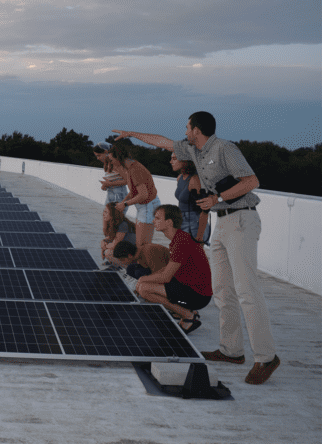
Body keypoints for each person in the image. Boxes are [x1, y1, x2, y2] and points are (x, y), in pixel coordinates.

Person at [113, 112, 280, 385]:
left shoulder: (225, 149)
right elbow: (163, 142)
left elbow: (251, 182)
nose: (184, 131)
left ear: (197, 130)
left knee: (246, 289)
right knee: (223, 289)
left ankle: (266, 357)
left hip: (241, 218)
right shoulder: (193, 149)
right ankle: (231, 350)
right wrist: (133, 134)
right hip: (223, 220)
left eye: (187, 127)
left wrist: (218, 197)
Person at [134, 205, 212, 334]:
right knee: (146, 283)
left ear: (169, 222)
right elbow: (167, 269)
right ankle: (185, 311)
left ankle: (188, 316)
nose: (153, 221)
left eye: (158, 218)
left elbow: (165, 277)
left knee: (144, 288)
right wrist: (147, 279)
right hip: (187, 286)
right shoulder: (179, 239)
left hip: (197, 295)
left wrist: (143, 279)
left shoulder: (181, 242)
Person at [107, 138, 160, 253]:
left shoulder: (135, 170)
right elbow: (134, 191)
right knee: (140, 243)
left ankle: (146, 268)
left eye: (111, 160)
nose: (111, 163)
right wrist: (123, 203)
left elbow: (143, 195)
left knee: (142, 245)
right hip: (144, 207)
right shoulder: (131, 168)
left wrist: (125, 204)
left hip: (147, 206)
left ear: (118, 158)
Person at [171, 152, 211, 243]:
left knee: (193, 255)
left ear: (185, 161)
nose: (171, 161)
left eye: (174, 158)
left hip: (194, 223)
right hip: (182, 220)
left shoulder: (195, 180)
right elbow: (182, 201)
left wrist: (199, 237)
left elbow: (205, 210)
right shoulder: (180, 177)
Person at [99, 204, 137, 268]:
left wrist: (104, 247)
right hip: (124, 248)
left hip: (132, 253)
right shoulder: (114, 223)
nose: (103, 214)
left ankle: (128, 269)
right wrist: (103, 241)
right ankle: (115, 263)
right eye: (103, 211)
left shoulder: (123, 225)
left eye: (106, 212)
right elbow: (110, 238)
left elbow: (115, 244)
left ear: (112, 214)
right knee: (105, 245)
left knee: (108, 253)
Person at [94, 141, 128, 207]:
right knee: (107, 215)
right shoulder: (107, 165)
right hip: (111, 194)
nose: (97, 158)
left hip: (119, 195)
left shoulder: (116, 164)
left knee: (112, 216)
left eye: (99, 155)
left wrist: (109, 184)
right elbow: (114, 178)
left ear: (106, 152)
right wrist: (105, 185)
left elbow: (127, 180)